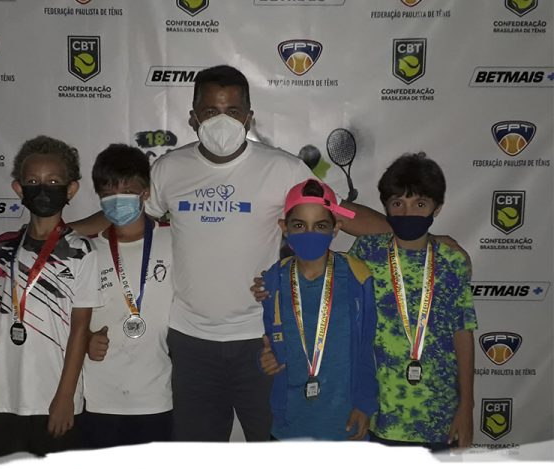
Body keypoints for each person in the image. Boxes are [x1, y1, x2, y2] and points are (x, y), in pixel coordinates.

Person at [143, 64, 387, 442]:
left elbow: (342, 212)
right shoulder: (168, 169)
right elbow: (131, 219)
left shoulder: (282, 168)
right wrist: (74, 229)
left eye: (233, 111)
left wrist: (418, 235)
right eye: (210, 111)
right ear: (193, 118)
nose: (222, 121)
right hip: (191, 341)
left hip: (261, 341)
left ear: (249, 116)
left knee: (271, 450)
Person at [0, 135, 102, 458]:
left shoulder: (81, 251)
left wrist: (65, 397)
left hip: (53, 398)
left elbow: (80, 329)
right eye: (33, 181)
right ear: (19, 189)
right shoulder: (3, 247)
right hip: (5, 395)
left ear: (71, 190)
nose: (43, 189)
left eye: (54, 181)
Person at [349, 152, 477, 450]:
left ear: (437, 208)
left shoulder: (452, 261)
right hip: (378, 413)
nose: (407, 213)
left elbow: (463, 333)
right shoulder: (366, 253)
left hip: (439, 416)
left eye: (420, 204)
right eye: (398, 204)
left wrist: (467, 406)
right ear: (386, 207)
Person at [260, 179, 378, 440]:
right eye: (299, 225)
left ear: (336, 229)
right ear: (284, 228)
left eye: (320, 226)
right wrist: (267, 359)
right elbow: (271, 344)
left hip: (345, 424)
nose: (309, 233)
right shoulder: (273, 281)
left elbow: (368, 347)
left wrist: (365, 404)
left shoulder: (357, 278)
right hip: (289, 426)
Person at [81, 143, 173, 448]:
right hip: (98, 398)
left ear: (146, 192)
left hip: (158, 397)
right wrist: (85, 339)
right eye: (108, 193)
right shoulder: (86, 250)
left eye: (128, 191)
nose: (118, 201)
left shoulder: (175, 239)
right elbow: (66, 318)